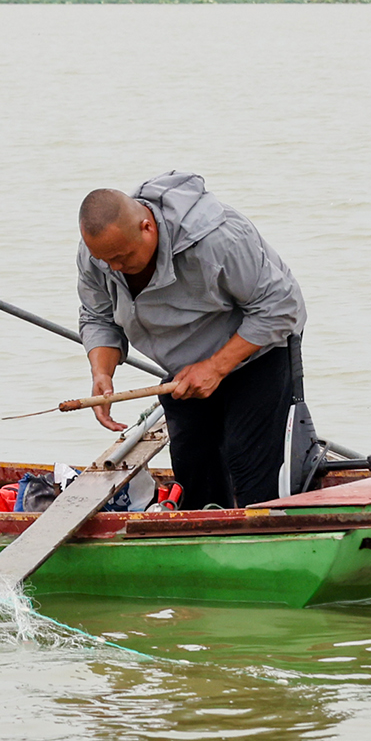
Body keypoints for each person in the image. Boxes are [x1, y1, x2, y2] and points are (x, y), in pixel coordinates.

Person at [75, 175, 310, 509]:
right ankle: (204, 533)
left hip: (257, 351)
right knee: (193, 469)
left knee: (252, 470)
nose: (113, 267)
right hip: (184, 369)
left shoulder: (218, 239)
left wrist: (215, 367)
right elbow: (97, 316)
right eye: (105, 260)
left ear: (147, 227)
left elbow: (281, 307)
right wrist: (102, 373)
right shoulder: (99, 253)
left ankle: (268, 529)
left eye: (122, 257)